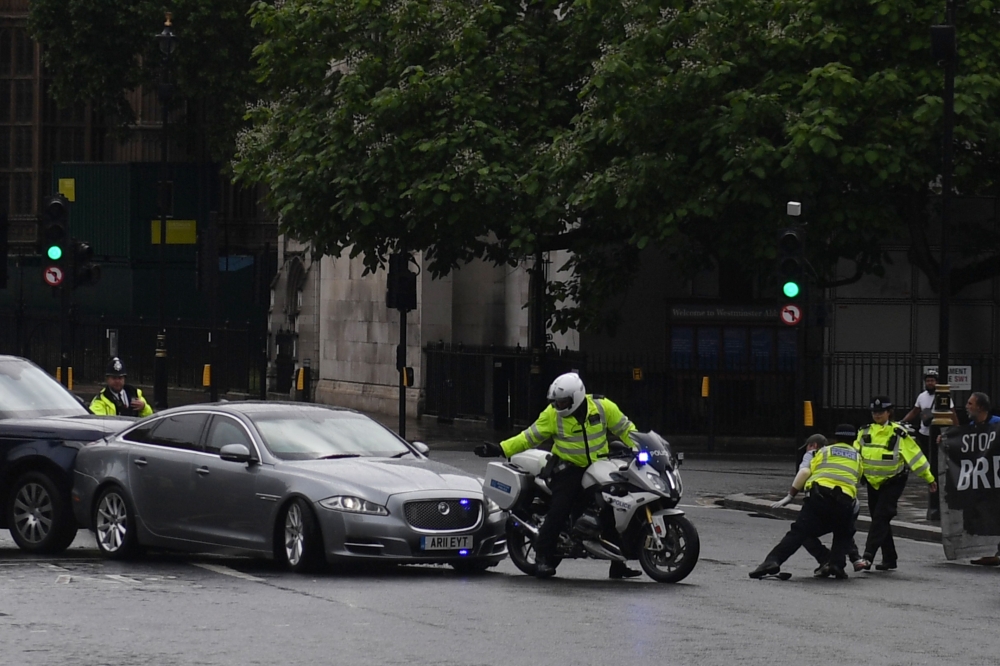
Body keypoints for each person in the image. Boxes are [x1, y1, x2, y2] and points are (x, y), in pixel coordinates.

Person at [475, 372, 640, 579]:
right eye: (556, 402)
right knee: (560, 508)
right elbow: (529, 437)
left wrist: (640, 446)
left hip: (599, 466)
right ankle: (543, 557)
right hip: (568, 468)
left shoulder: (602, 406)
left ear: (577, 397)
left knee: (612, 506)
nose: (558, 406)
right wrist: (501, 448)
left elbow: (626, 429)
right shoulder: (552, 415)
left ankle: (618, 565)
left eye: (562, 402)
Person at [750, 436, 863, 579]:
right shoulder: (858, 457)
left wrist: (790, 496)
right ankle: (837, 565)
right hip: (845, 501)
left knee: (799, 532)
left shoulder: (823, 451)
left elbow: (804, 472)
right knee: (842, 533)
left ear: (834, 439)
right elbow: (858, 478)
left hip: (820, 496)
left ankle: (772, 561)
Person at [855, 396, 937, 571]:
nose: (877, 415)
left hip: (893, 481)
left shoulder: (899, 433)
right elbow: (855, 455)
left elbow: (916, 457)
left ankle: (867, 557)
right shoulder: (864, 432)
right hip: (872, 482)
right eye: (874, 412)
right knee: (881, 519)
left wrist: (929, 478)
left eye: (881, 412)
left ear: (888, 412)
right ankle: (890, 558)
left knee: (880, 517)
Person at [963, 392, 1000, 566]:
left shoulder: (997, 424)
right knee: (987, 516)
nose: (967, 406)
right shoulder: (972, 427)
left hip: (996, 479)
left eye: (970, 403)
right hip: (983, 481)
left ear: (981, 407)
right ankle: (990, 553)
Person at [900, 369, 958, 458]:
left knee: (936, 458)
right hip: (923, 433)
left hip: (938, 434)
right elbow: (915, 411)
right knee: (924, 457)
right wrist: (902, 421)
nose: (930, 383)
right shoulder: (921, 396)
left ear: (937, 382)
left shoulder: (943, 396)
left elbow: (952, 413)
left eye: (932, 381)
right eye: (927, 381)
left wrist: (957, 429)